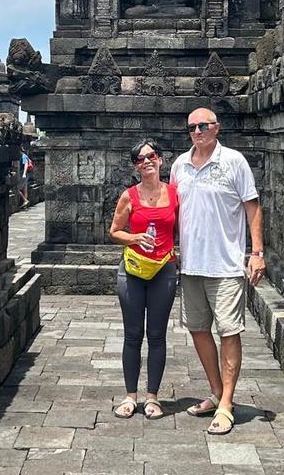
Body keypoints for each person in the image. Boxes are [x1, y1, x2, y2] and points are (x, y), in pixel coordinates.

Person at [170, 107, 265, 435]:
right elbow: (173, 211)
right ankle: (216, 391)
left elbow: (252, 208)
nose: (197, 131)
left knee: (228, 331)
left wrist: (256, 253)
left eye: (203, 126)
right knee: (198, 329)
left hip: (225, 265)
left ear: (217, 128)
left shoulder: (234, 161)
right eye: (192, 127)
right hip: (191, 264)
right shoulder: (179, 165)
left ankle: (226, 403)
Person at [108, 138, 179, 420]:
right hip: (133, 270)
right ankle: (130, 396)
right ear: (136, 166)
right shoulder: (129, 196)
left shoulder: (174, 193)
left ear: (160, 159)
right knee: (133, 334)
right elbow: (115, 231)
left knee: (157, 335)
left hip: (164, 269)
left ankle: (152, 397)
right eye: (140, 159)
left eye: (151, 156)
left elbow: (183, 227)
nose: (146, 161)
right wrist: (134, 237)